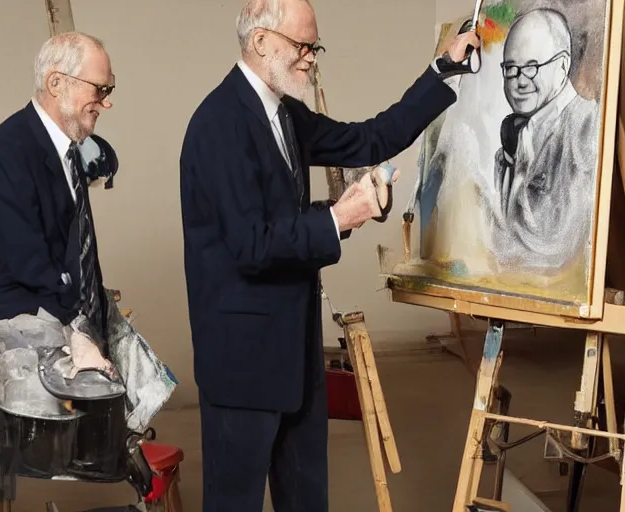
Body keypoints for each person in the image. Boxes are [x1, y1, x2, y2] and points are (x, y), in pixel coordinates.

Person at [178, 0, 480, 509]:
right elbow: (253, 246)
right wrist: (340, 217)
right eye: (302, 45)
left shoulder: (285, 113)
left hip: (295, 356)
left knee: (306, 499)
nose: (311, 58)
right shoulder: (218, 124)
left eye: (314, 46)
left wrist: (442, 68)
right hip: (243, 366)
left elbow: (369, 138)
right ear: (260, 42)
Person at [0, 31, 124, 392]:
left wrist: (92, 318)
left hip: (54, 302)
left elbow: (75, 251)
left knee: (139, 384)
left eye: (108, 91)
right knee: (74, 384)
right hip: (8, 307)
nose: (104, 103)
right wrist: (76, 328)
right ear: (56, 83)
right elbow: (29, 260)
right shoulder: (7, 152)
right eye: (99, 90)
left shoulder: (72, 149)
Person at [489, 8, 599, 271]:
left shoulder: (587, 130)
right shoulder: (510, 143)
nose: (519, 81)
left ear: (563, 66)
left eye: (531, 67)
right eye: (511, 69)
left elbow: (558, 247)